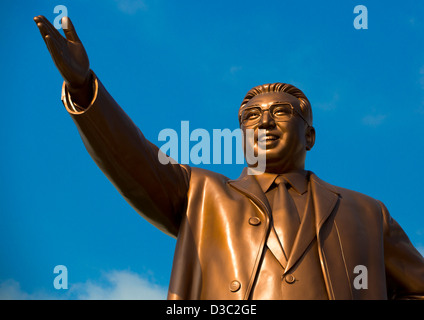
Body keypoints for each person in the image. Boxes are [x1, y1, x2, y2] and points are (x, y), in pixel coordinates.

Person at [34, 15, 424, 300]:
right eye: (252, 117)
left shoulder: (369, 215)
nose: (265, 122)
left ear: (310, 135)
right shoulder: (201, 196)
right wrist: (84, 88)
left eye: (282, 112)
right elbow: (133, 158)